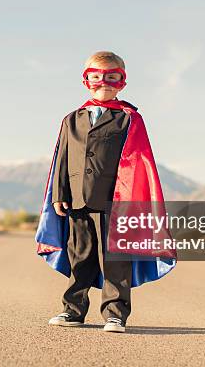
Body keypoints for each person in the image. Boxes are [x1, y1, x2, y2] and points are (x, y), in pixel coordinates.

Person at [35, 50, 177, 334]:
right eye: (96, 77)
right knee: (80, 253)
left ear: (122, 81)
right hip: (77, 196)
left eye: (112, 77)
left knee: (116, 254)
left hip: (117, 197)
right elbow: (61, 158)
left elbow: (139, 159)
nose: (104, 83)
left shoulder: (128, 119)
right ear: (86, 80)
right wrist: (58, 194)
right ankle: (73, 310)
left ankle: (115, 314)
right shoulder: (71, 119)